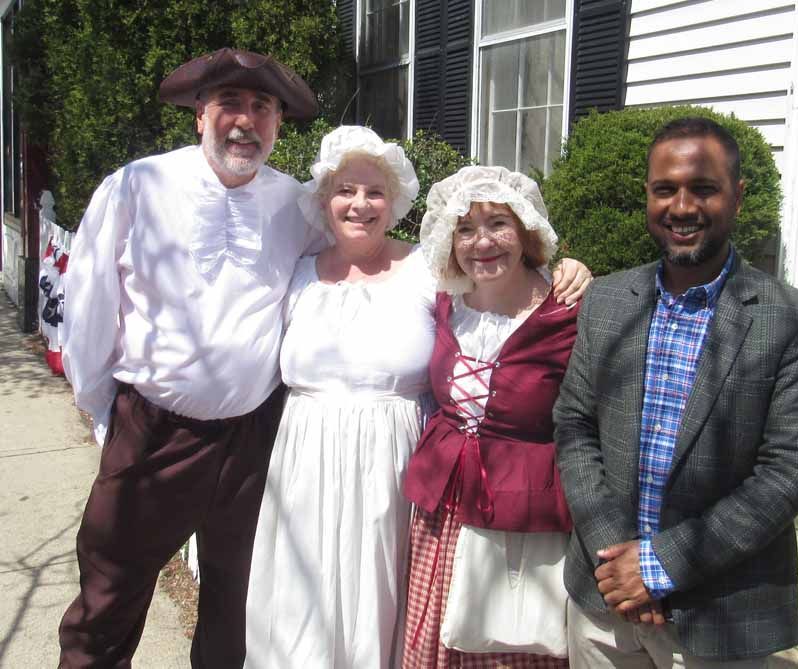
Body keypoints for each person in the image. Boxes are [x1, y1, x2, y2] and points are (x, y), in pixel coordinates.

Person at [242, 130, 590, 668]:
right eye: (345, 190)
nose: (360, 204)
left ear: (395, 200)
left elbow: (506, 293)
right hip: (305, 464)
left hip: (397, 466)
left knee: (391, 603)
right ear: (323, 199)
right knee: (299, 603)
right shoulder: (294, 273)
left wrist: (571, 269)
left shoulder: (429, 274)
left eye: (375, 192)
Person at [57, 48, 329, 668]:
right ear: (199, 114)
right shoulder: (138, 185)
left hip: (251, 440)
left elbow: (360, 258)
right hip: (151, 433)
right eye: (229, 102)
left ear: (279, 123)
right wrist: (104, 411)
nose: (245, 120)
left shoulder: (297, 204)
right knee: (108, 597)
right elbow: (91, 303)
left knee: (238, 603)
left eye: (262, 107)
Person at [553, 117, 798, 668]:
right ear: (648, 196)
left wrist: (658, 567)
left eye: (703, 188)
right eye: (665, 190)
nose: (682, 207)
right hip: (603, 605)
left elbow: (787, 473)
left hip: (720, 617)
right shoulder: (608, 302)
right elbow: (574, 426)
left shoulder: (795, 321)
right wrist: (618, 561)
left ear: (737, 195)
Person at [402, 166, 579, 668]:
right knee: (437, 636)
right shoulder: (443, 305)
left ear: (526, 232)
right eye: (464, 228)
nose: (481, 242)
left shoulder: (567, 309)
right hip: (443, 509)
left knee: (509, 641)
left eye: (498, 223)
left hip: (521, 510)